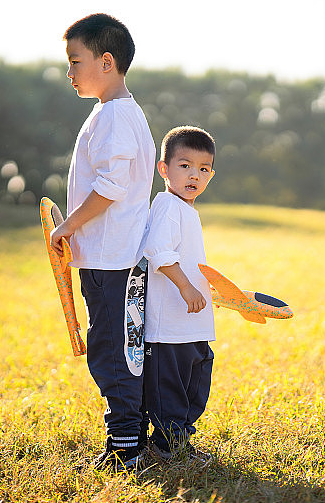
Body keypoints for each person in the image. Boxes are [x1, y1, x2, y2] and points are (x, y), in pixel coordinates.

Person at [50, 13, 155, 472]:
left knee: (113, 350)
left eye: (75, 61)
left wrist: (67, 226)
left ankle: (125, 446)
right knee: (124, 347)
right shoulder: (120, 111)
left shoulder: (113, 115)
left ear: (106, 61)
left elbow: (111, 187)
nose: (69, 72)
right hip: (120, 256)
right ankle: (132, 434)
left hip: (112, 259)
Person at [142, 126, 217, 463]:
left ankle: (179, 441)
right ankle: (167, 447)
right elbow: (158, 250)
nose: (194, 175)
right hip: (170, 326)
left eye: (203, 169)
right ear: (164, 169)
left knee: (196, 383)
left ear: (210, 176)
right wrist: (186, 286)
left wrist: (204, 286)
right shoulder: (168, 205)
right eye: (185, 165)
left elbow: (186, 257)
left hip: (191, 324)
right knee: (171, 389)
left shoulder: (186, 210)